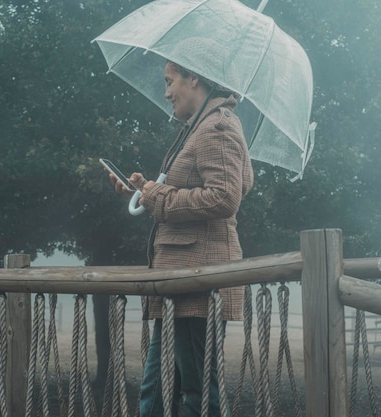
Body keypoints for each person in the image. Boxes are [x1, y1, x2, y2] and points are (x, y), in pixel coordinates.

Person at [105, 39, 253, 417]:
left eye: (171, 80)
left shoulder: (217, 127)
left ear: (194, 78)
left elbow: (224, 197)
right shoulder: (199, 128)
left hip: (197, 282)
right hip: (180, 280)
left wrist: (158, 195)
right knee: (157, 392)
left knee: (196, 394)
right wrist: (145, 191)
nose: (167, 91)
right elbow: (214, 187)